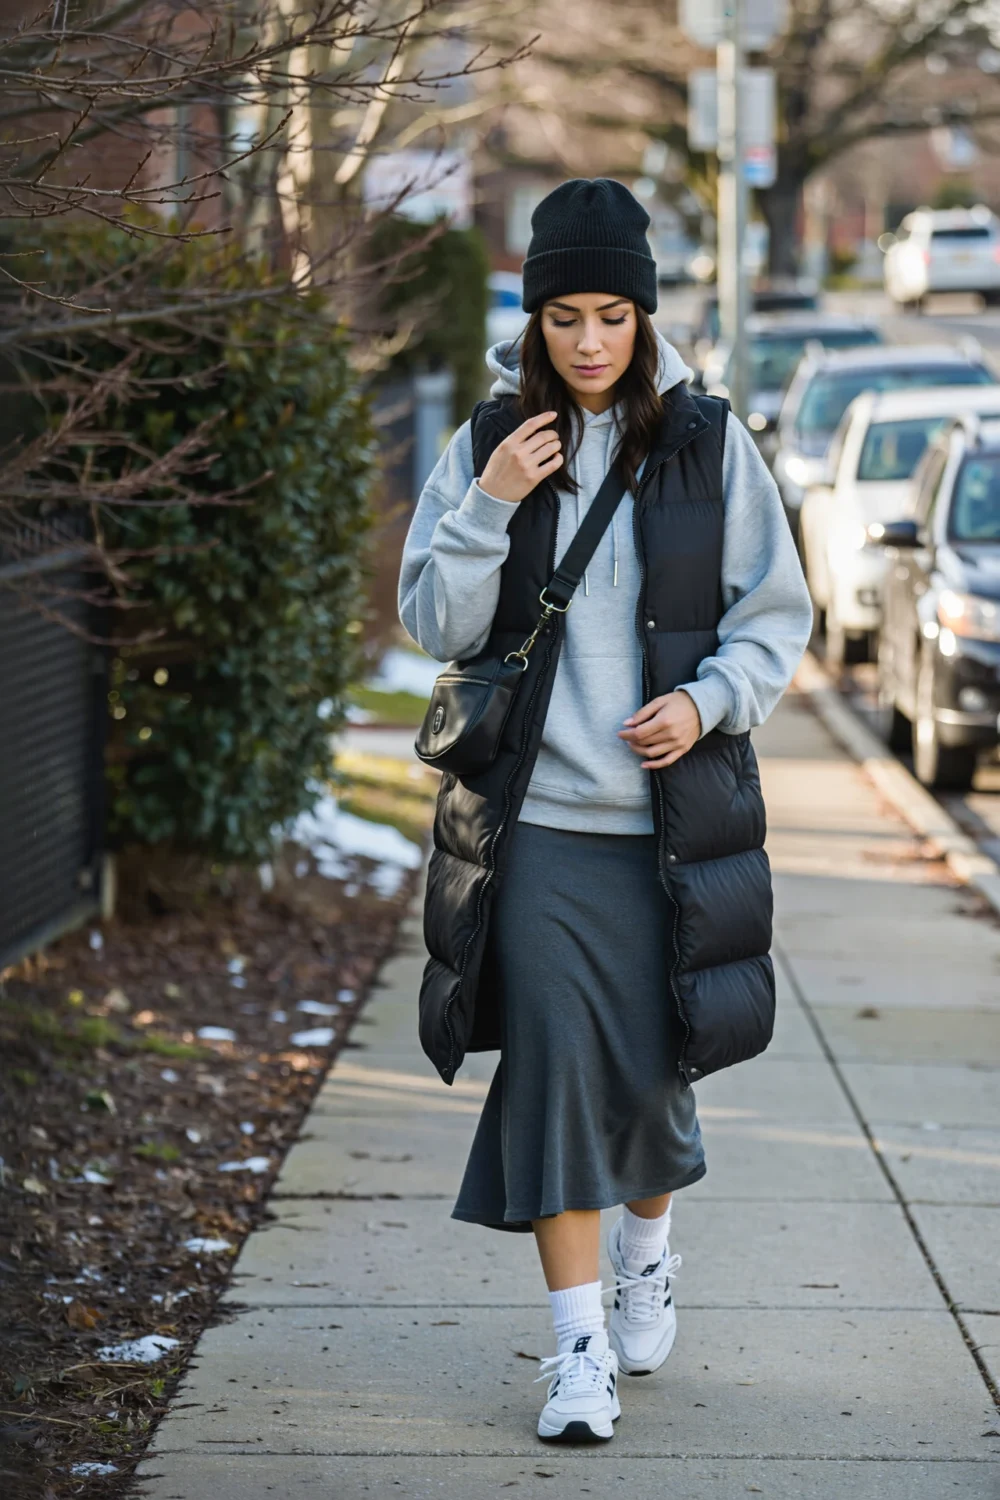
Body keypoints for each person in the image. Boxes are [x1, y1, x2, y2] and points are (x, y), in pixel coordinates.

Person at [398, 179, 813, 1445]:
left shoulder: (707, 444)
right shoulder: (490, 444)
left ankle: (648, 1241)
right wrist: (489, 507)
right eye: (563, 316)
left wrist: (707, 702)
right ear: (532, 318)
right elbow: (433, 622)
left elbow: (775, 616)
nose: (587, 342)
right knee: (557, 1072)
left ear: (644, 317)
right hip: (535, 836)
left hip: (670, 832)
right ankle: (576, 1350)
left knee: (649, 1073)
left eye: (612, 316)